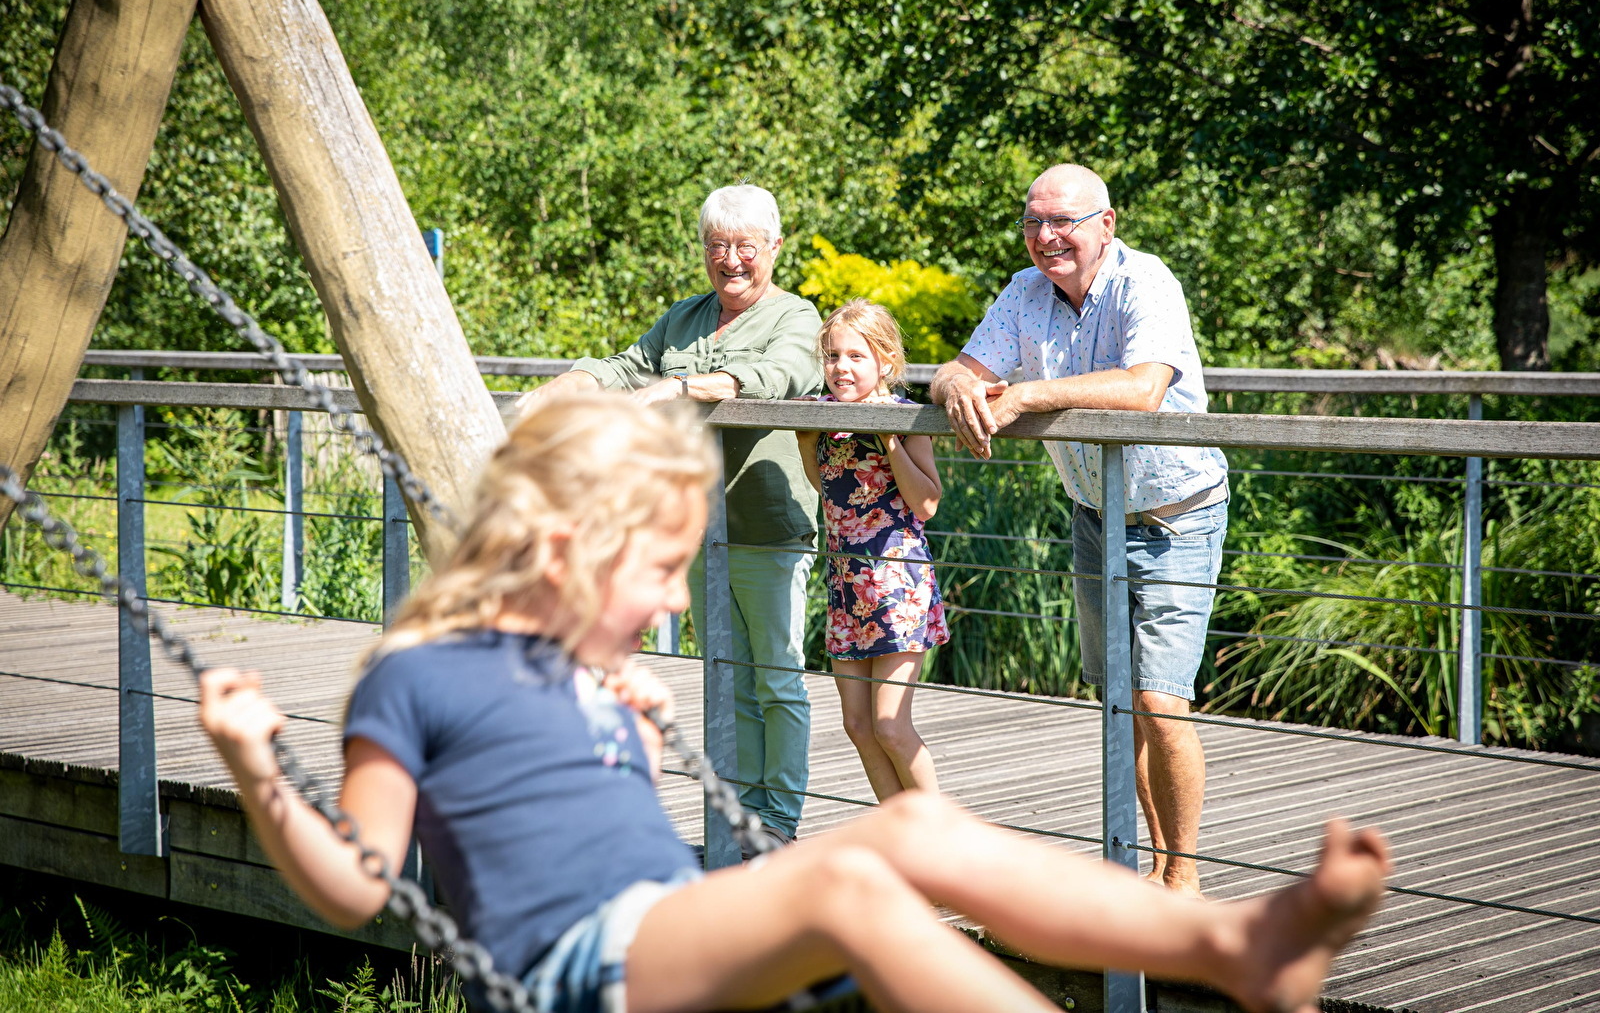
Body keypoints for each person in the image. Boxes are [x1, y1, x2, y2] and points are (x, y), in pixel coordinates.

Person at [199, 392, 1390, 1013]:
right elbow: (358, 880)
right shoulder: (417, 678)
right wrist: (259, 763)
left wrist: (620, 731)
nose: (672, 606)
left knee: (914, 829)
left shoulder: (578, 676)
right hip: (572, 975)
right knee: (846, 876)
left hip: (675, 936)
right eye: (656, 570)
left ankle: (1235, 943)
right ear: (561, 547)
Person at [932, 163, 1231, 897]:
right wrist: (959, 390)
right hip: (1096, 515)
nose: (1046, 237)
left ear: (1106, 223)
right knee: (1123, 700)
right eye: (1034, 222)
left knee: (1161, 701)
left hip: (1175, 514)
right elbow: (952, 372)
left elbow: (1143, 388)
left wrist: (1026, 394)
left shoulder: (1145, 282)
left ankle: (1185, 881)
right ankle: (1154, 873)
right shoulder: (1023, 291)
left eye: (1062, 221)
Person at [518, 185, 821, 851]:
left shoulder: (794, 316)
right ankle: (741, 814)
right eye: (718, 246)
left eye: (745, 247)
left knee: (776, 675)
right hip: (699, 530)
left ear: (773, 247)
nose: (731, 261)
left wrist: (682, 389)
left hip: (769, 524)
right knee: (729, 675)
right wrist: (558, 391)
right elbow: (626, 367)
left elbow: (781, 375)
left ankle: (781, 820)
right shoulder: (685, 318)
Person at [796, 300, 947, 799]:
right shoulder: (824, 416)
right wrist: (804, 440)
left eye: (856, 357)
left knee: (889, 725)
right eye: (833, 356)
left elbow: (926, 503)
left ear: (884, 361)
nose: (841, 368)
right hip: (845, 584)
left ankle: (944, 844)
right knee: (858, 726)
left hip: (896, 583)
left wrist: (889, 440)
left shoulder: (906, 416)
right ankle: (900, 839)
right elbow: (826, 487)